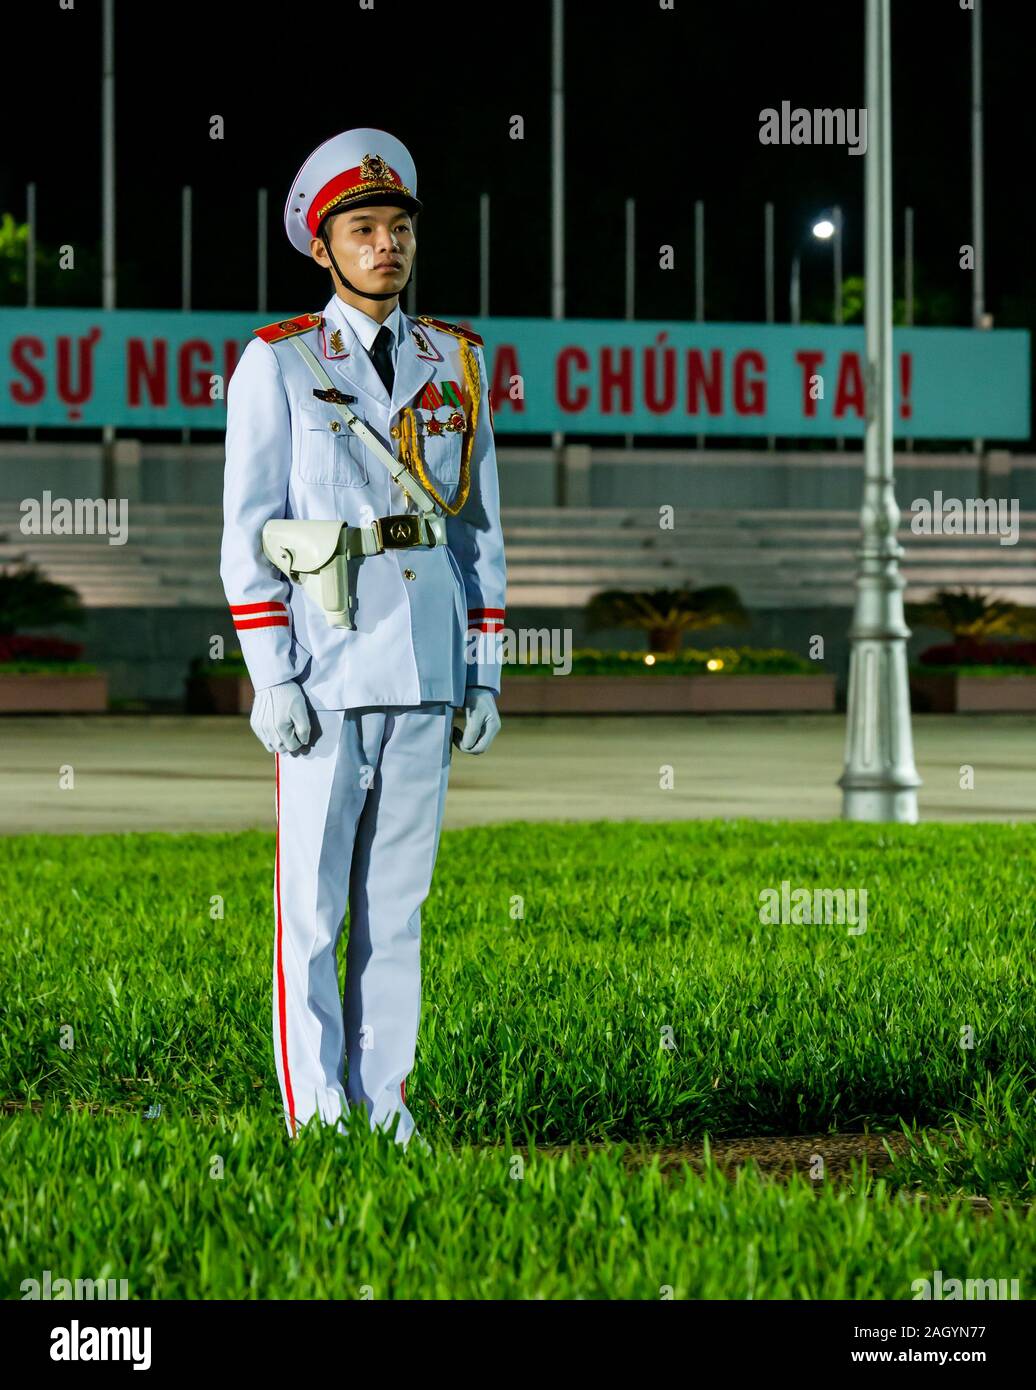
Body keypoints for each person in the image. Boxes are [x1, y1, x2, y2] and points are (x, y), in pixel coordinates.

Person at [219, 127, 506, 1151]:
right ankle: (316, 1113)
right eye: (363, 229)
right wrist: (270, 675)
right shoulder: (280, 361)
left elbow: (477, 529)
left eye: (397, 229)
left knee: (399, 904)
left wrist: (484, 668)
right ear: (323, 248)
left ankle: (387, 1108)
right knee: (311, 908)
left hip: (426, 661)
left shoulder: (457, 361)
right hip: (328, 659)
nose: (386, 245)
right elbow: (247, 530)